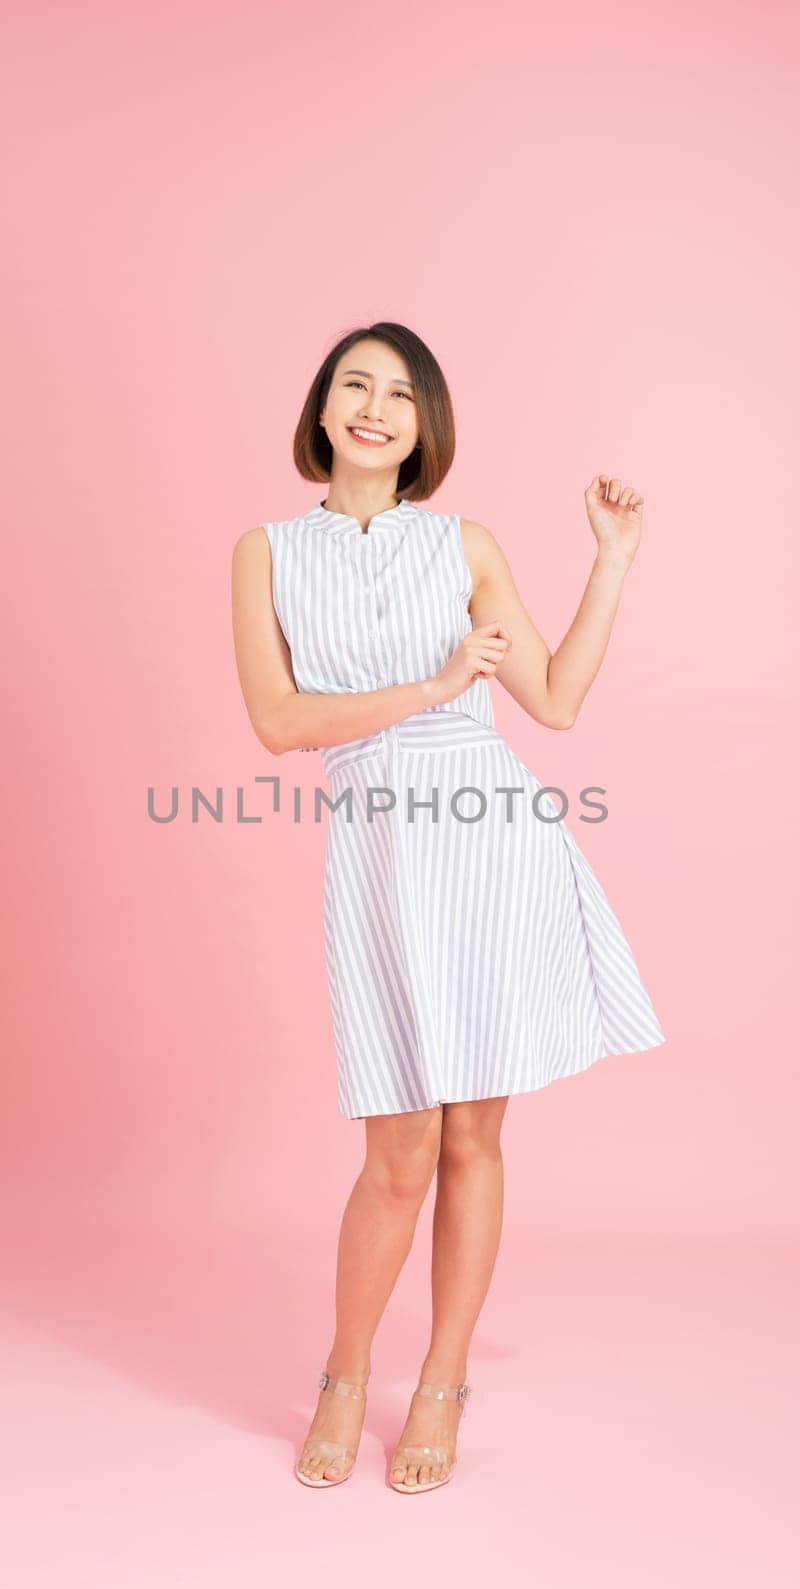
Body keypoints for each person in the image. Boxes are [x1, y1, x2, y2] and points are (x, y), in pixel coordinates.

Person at [230, 320, 666, 1493]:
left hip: (490, 852)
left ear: (427, 427)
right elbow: (279, 723)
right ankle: (343, 1370)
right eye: (355, 385)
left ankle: (442, 1379)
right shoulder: (267, 552)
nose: (376, 407)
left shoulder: (463, 544)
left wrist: (612, 559)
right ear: (322, 409)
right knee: (396, 1148)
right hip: (378, 854)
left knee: (474, 1136)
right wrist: (429, 683)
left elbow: (557, 703)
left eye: (402, 395)